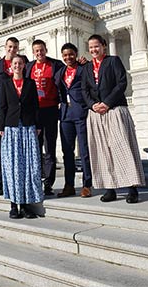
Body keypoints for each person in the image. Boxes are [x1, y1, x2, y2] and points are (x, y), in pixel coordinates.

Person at [81, 34, 145, 203]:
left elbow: (121, 83)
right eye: (91, 47)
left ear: (104, 46)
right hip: (96, 113)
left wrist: (107, 103)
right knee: (101, 151)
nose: (94, 49)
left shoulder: (113, 61)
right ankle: (110, 188)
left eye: (97, 46)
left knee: (122, 147)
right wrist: (92, 105)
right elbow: (84, 90)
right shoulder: (87, 67)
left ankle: (132, 188)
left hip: (115, 109)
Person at [0, 55, 43, 219]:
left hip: (28, 126)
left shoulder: (30, 83)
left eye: (20, 63)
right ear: (11, 67)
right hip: (11, 127)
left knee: (28, 167)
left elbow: (35, 106)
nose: (17, 66)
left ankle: (25, 204)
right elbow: (1, 107)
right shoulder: (5, 84)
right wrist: (0, 127)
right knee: (12, 168)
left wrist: (38, 125)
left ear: (24, 66)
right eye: (15, 63)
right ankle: (13, 205)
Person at [0, 37, 28, 197]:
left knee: (19, 150)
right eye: (10, 47)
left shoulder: (22, 62)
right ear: (5, 47)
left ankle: (18, 183)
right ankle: (0, 185)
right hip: (2, 110)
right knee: (0, 149)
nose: (12, 50)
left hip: (19, 110)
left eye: (15, 47)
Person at [26, 39, 64, 195]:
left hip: (50, 110)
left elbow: (66, 79)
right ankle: (35, 181)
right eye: (36, 51)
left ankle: (48, 183)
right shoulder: (29, 67)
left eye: (41, 50)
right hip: (34, 112)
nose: (39, 53)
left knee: (49, 148)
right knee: (34, 149)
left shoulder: (56, 65)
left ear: (46, 50)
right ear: (33, 52)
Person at [55, 43, 92, 198]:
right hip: (65, 115)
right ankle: (69, 185)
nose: (68, 57)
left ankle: (87, 184)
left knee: (84, 151)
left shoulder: (84, 69)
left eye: (70, 54)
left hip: (81, 113)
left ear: (76, 54)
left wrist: (88, 62)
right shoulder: (60, 72)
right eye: (65, 55)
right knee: (67, 152)